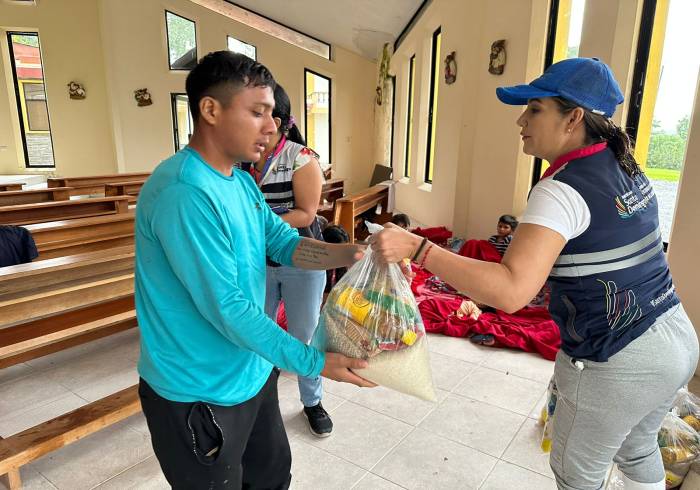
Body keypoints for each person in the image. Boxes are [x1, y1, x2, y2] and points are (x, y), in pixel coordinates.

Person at [369, 57, 698, 490]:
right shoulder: (624, 166)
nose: (521, 120)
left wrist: (419, 248)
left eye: (536, 109)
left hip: (621, 356)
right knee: (637, 450)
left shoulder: (562, 189)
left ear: (574, 118)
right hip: (675, 339)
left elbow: (511, 292)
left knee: (578, 475)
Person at [134, 51, 373, 490]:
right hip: (197, 391)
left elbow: (283, 244)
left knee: (271, 479)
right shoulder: (184, 192)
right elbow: (228, 309)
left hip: (251, 372)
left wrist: (356, 254)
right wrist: (314, 360)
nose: (272, 125)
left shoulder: (239, 181)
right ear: (210, 109)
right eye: (258, 112)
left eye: (273, 114)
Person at [242, 83, 333, 437]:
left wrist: (254, 224)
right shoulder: (243, 157)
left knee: (303, 336)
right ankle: (261, 404)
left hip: (301, 261)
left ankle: (313, 402)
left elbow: (306, 213)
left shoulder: (301, 157)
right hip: (257, 263)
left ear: (276, 120)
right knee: (257, 333)